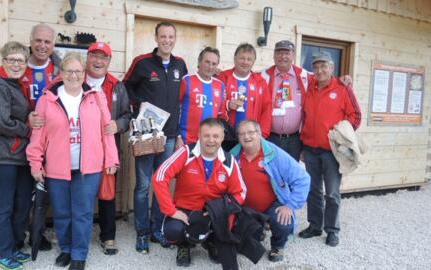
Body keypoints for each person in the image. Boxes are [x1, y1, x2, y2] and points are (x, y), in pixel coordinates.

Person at [26, 52, 119, 270]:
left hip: (89, 167)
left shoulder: (96, 97)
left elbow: (107, 130)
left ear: (84, 73)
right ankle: (66, 249)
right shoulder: (47, 99)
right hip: (57, 167)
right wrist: (35, 163)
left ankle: (79, 254)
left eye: (78, 71)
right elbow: (38, 136)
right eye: (69, 71)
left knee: (83, 212)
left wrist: (111, 158)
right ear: (61, 73)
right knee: (62, 212)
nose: (74, 75)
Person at [123, 21, 188, 253]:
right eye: (163, 36)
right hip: (147, 135)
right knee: (142, 186)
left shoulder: (181, 65)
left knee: (160, 183)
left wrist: (180, 133)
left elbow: (183, 99)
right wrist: (138, 108)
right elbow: (125, 88)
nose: (167, 40)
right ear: (156, 37)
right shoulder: (142, 63)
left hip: (169, 136)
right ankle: (141, 233)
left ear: (175, 38)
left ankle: (156, 230)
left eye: (171, 36)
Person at [152, 118, 247, 269]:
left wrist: (222, 210)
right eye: (206, 135)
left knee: (234, 224)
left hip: (213, 211)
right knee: (173, 230)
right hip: (186, 209)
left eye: (216, 136)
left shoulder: (229, 161)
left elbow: (240, 192)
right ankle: (184, 246)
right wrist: (171, 210)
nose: (211, 140)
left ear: (222, 137)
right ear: (199, 135)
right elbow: (159, 177)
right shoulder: (186, 152)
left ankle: (211, 242)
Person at [0, 41, 34, 270]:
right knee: (4, 205)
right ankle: (4, 252)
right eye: (12, 59)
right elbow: (0, 122)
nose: (17, 64)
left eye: (21, 60)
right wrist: (27, 129)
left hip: (17, 154)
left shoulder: (16, 86)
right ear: (3, 62)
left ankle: (14, 246)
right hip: (0, 155)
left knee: (21, 202)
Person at [298, 51, 361, 247]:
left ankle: (332, 230)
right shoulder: (309, 87)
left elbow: (355, 117)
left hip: (332, 151)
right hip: (309, 148)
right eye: (316, 66)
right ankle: (315, 226)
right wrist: (302, 144)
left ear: (332, 68)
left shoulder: (343, 89)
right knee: (313, 190)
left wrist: (340, 134)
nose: (319, 70)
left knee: (332, 192)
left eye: (323, 66)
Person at [229, 120, 310, 262]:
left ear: (259, 134)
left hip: (271, 205)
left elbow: (303, 179)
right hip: (244, 209)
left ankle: (278, 245)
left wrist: (290, 205)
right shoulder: (232, 156)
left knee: (284, 222)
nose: (246, 137)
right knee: (243, 244)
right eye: (241, 134)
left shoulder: (274, 154)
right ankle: (258, 230)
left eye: (250, 132)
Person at [85, 42, 131, 255]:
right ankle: (77, 235)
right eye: (94, 56)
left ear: (109, 61)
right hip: (81, 148)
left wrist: (118, 125)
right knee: (79, 193)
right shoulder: (76, 79)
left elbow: (127, 116)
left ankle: (108, 237)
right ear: (87, 58)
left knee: (107, 194)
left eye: (103, 57)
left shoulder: (117, 86)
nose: (98, 61)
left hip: (107, 150)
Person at [260, 40, 313, 161]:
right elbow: (243, 77)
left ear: (293, 56)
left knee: (291, 175)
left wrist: (343, 79)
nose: (283, 56)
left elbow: (325, 79)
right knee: (271, 175)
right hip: (270, 138)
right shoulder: (262, 77)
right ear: (273, 55)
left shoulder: (305, 77)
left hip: (295, 140)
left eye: (287, 53)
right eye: (279, 52)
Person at [217, 43, 271, 148]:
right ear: (235, 58)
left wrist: (262, 136)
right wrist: (227, 104)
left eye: (249, 59)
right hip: (225, 137)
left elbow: (266, 110)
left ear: (253, 62)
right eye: (242, 58)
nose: (245, 62)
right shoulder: (222, 78)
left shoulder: (260, 82)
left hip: (250, 138)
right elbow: (213, 104)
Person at [176, 47, 227, 146]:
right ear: (199, 62)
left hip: (208, 143)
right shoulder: (186, 81)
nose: (210, 66)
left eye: (214, 64)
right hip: (186, 140)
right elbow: (175, 110)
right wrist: (178, 136)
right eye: (207, 62)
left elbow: (221, 115)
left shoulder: (220, 85)